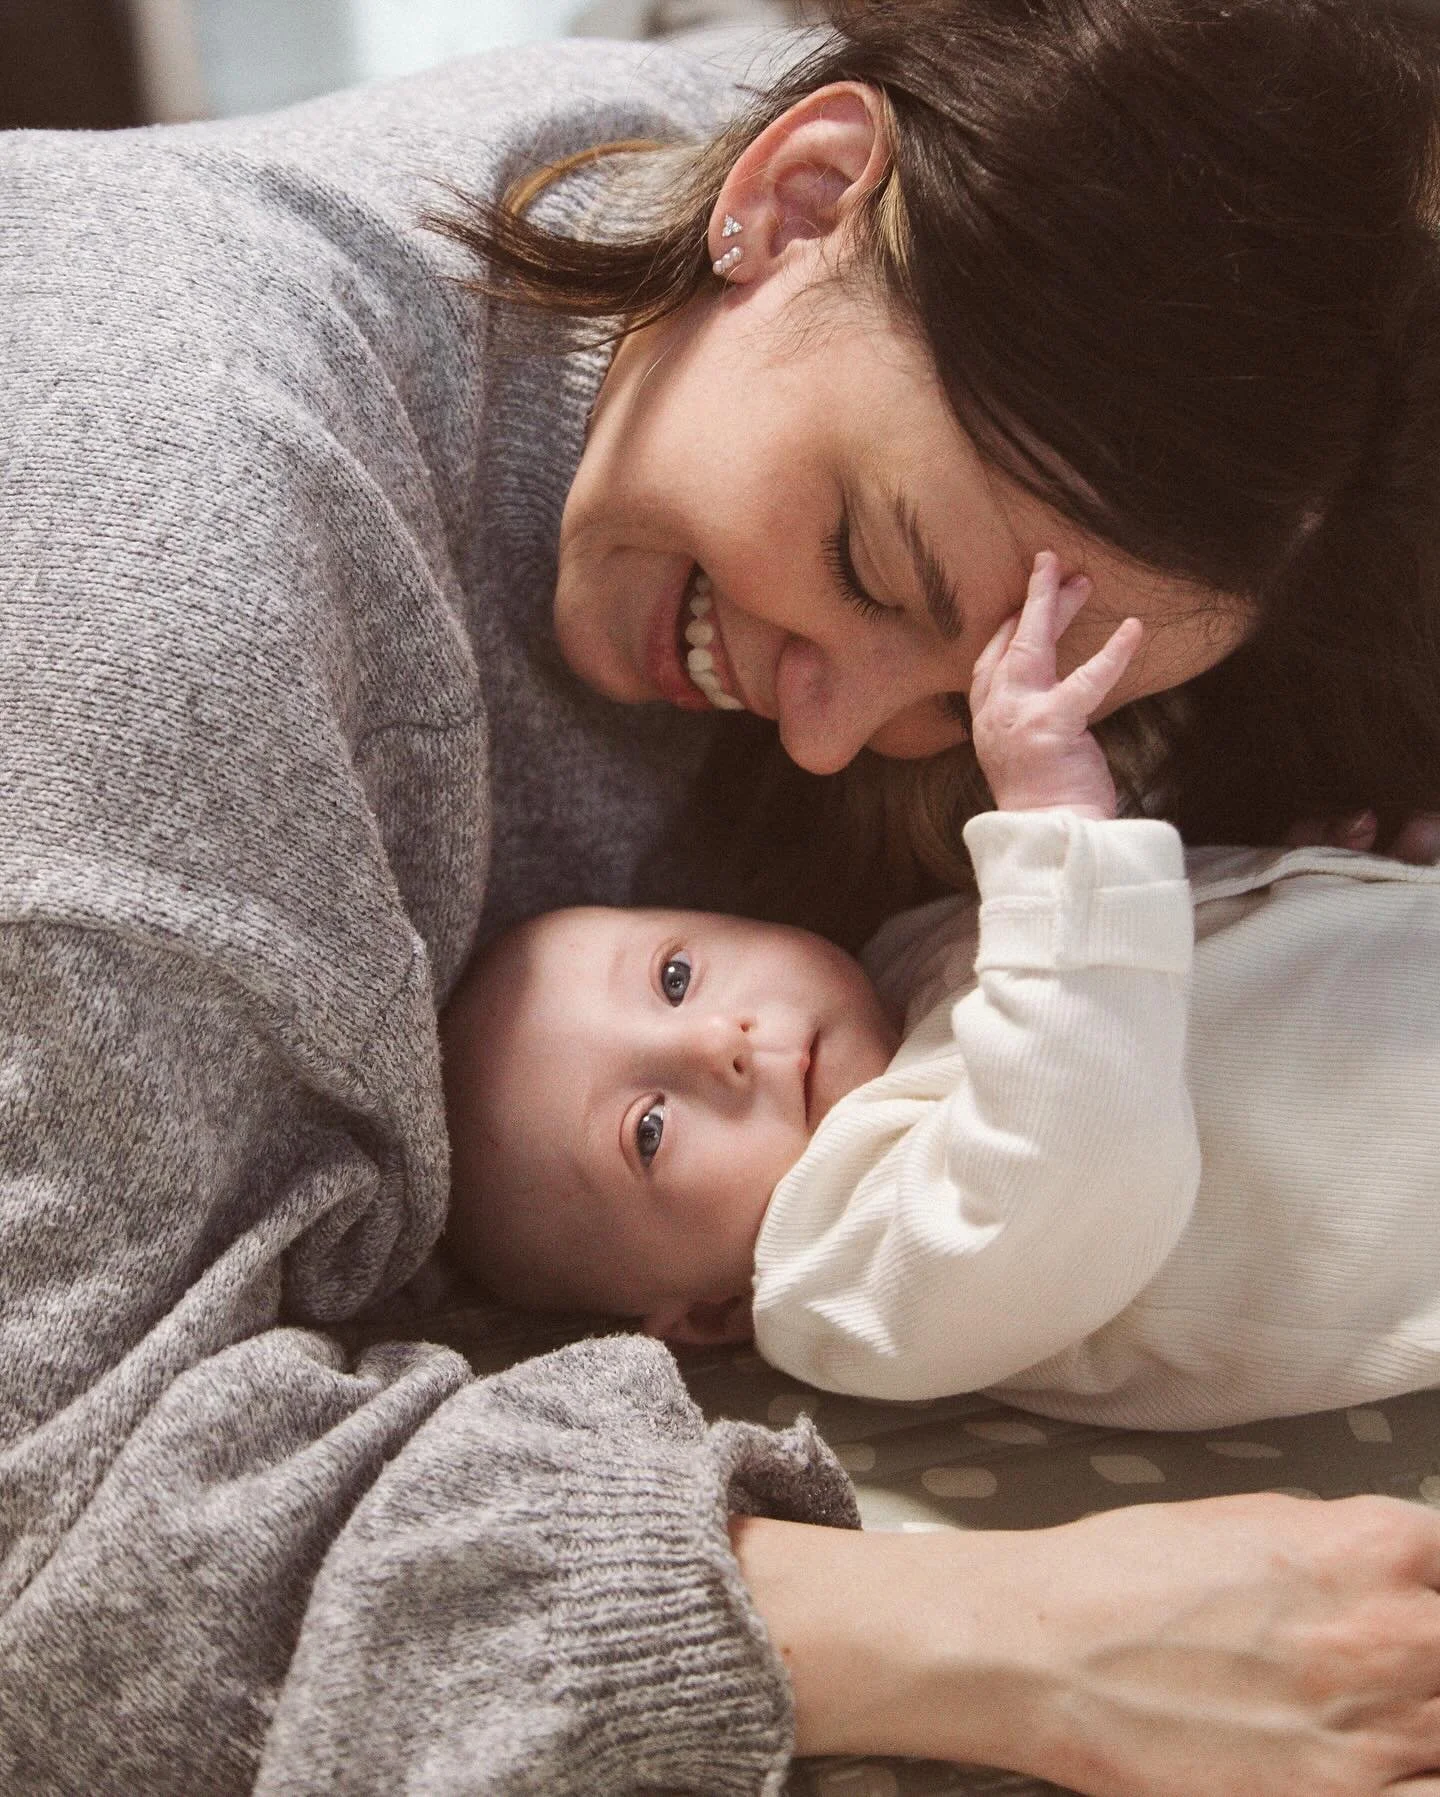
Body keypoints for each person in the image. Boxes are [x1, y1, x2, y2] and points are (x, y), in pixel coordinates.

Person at [7, 6, 1440, 1797]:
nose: (839, 735)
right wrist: (1013, 1637)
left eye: (954, 699)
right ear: (794, 192)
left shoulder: (998, 206)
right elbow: (53, 1553)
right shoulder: (160, 550)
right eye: (863, 562)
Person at [440, 551, 1440, 1431]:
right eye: (648, 1130)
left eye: (673, 978)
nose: (719, 1045)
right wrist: (1055, 818)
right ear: (706, 1314)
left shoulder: (905, 954)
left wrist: (1309, 907)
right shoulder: (842, 1280)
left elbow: (1139, 987)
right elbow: (1078, 1152)